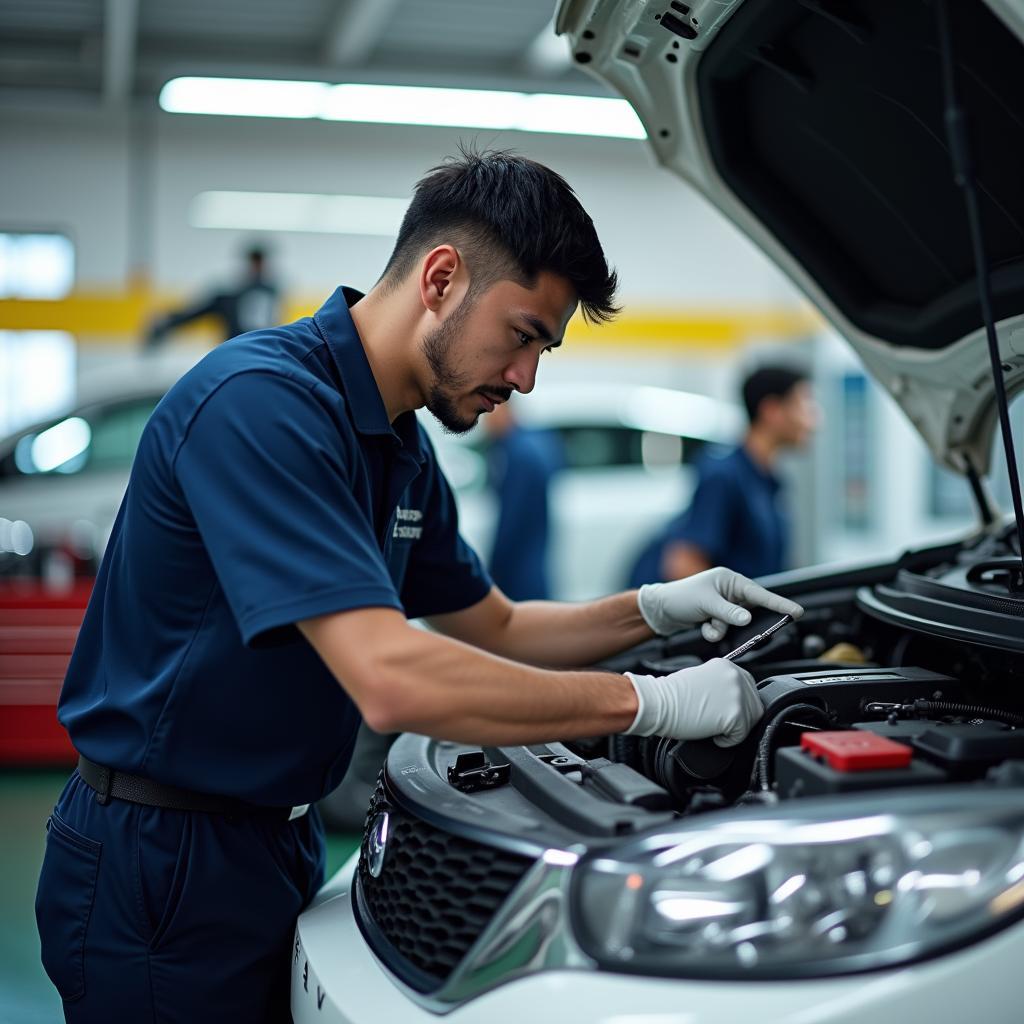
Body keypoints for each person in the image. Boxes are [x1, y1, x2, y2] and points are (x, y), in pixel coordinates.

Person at [35, 149, 802, 1023]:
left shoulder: (402, 446)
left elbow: (501, 625)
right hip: (162, 861)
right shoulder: (261, 403)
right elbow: (391, 675)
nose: (527, 379)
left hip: (276, 841)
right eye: (523, 335)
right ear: (442, 277)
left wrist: (653, 608)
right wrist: (652, 703)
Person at [628, 365, 818, 587]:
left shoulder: (768, 479)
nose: (815, 420)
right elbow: (683, 566)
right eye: (805, 405)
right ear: (772, 410)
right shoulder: (724, 474)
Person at [482, 397, 564, 600]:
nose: (484, 422)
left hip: (518, 565)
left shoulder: (519, 454)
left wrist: (494, 567)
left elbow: (511, 519)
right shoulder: (535, 444)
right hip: (535, 558)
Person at [144, 243, 280, 347]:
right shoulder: (243, 290)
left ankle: (167, 322)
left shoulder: (266, 291)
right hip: (242, 342)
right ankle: (168, 322)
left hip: (246, 342)